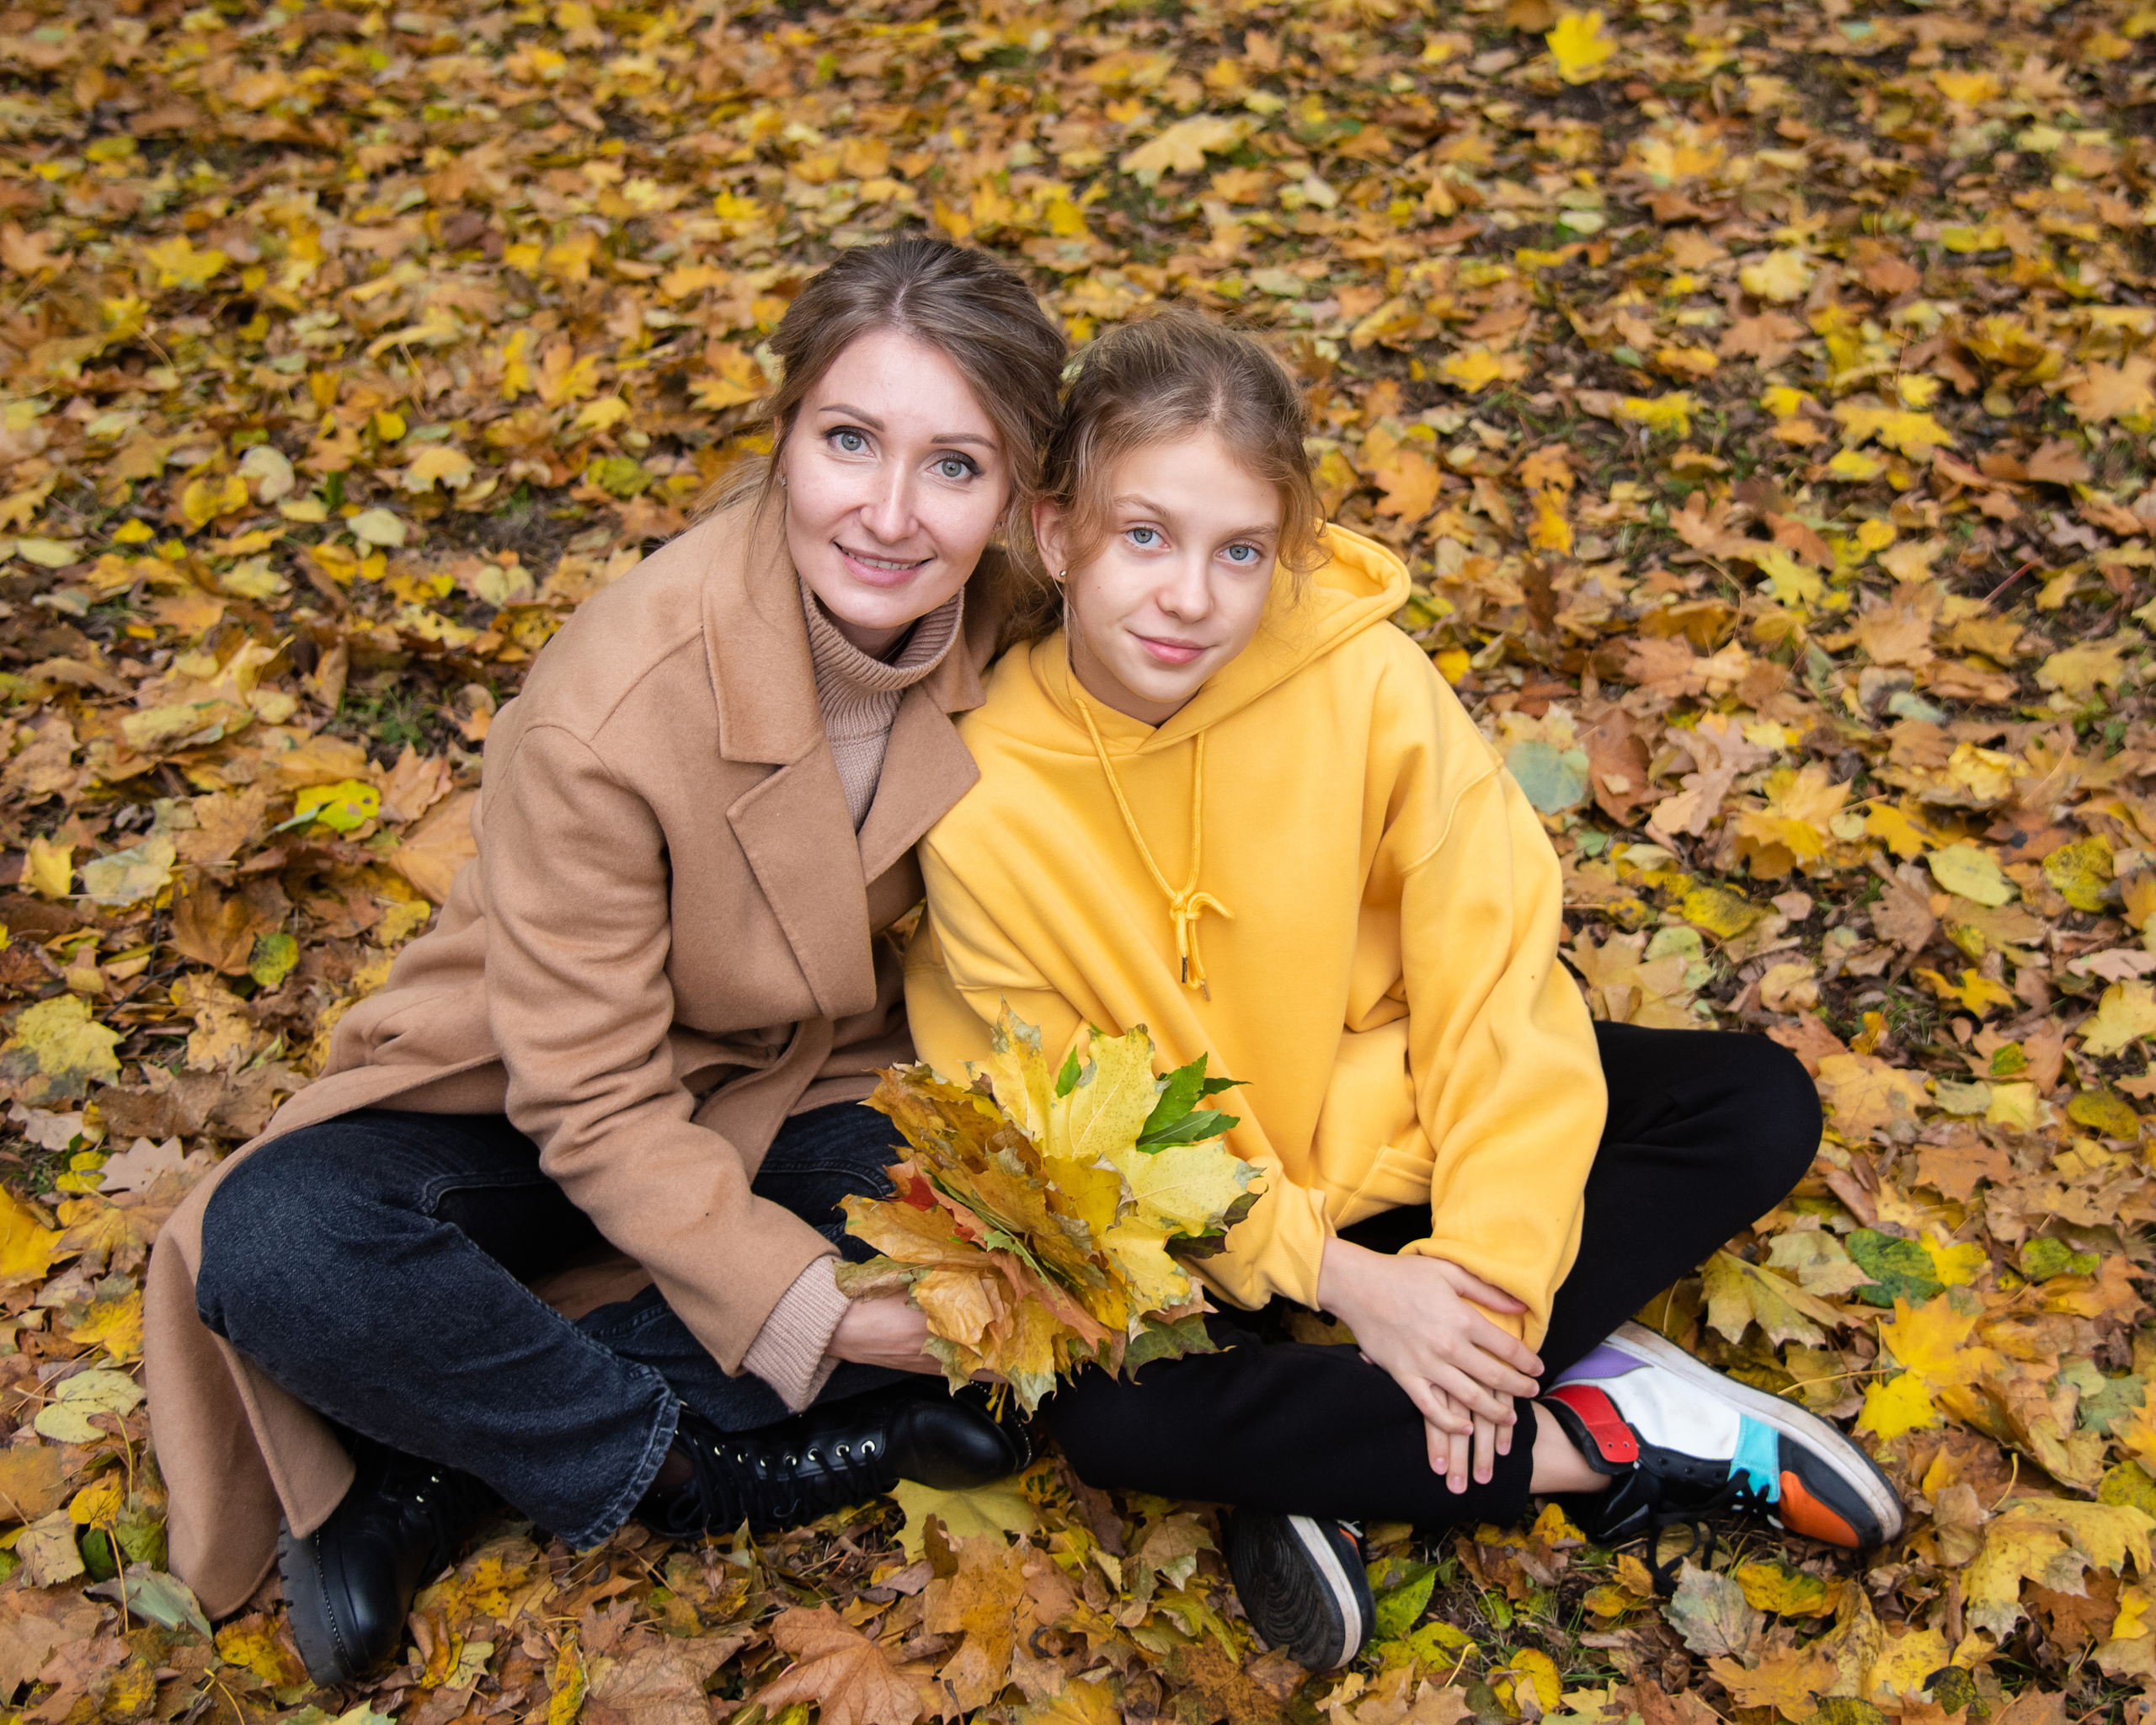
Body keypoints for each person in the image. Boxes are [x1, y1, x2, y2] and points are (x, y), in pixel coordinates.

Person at [900, 312, 1904, 1671]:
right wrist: (1341, 1281)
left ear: (1286, 552)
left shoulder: (1364, 679)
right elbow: (1076, 1141)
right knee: (1102, 1411)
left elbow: (1496, 988)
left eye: (1239, 551)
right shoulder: (980, 796)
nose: (1191, 595)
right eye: (1145, 536)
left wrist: (1481, 1275)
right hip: (1201, 1233)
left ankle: (1328, 1450)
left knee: (1754, 1101)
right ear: (1055, 531)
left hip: (1395, 1125)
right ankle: (1603, 1438)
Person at [142, 236, 1069, 1685]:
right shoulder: (616, 697)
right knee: (284, 1244)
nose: (890, 513)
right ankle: (704, 1477)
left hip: (807, 1075)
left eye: (955, 466)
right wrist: (814, 1316)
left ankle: (448, 1473)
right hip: (534, 1078)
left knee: (1002, 1252)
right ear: (784, 436)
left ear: (1019, 494)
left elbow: (1206, 600)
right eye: (848, 441)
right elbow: (589, 1092)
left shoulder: (1016, 628)